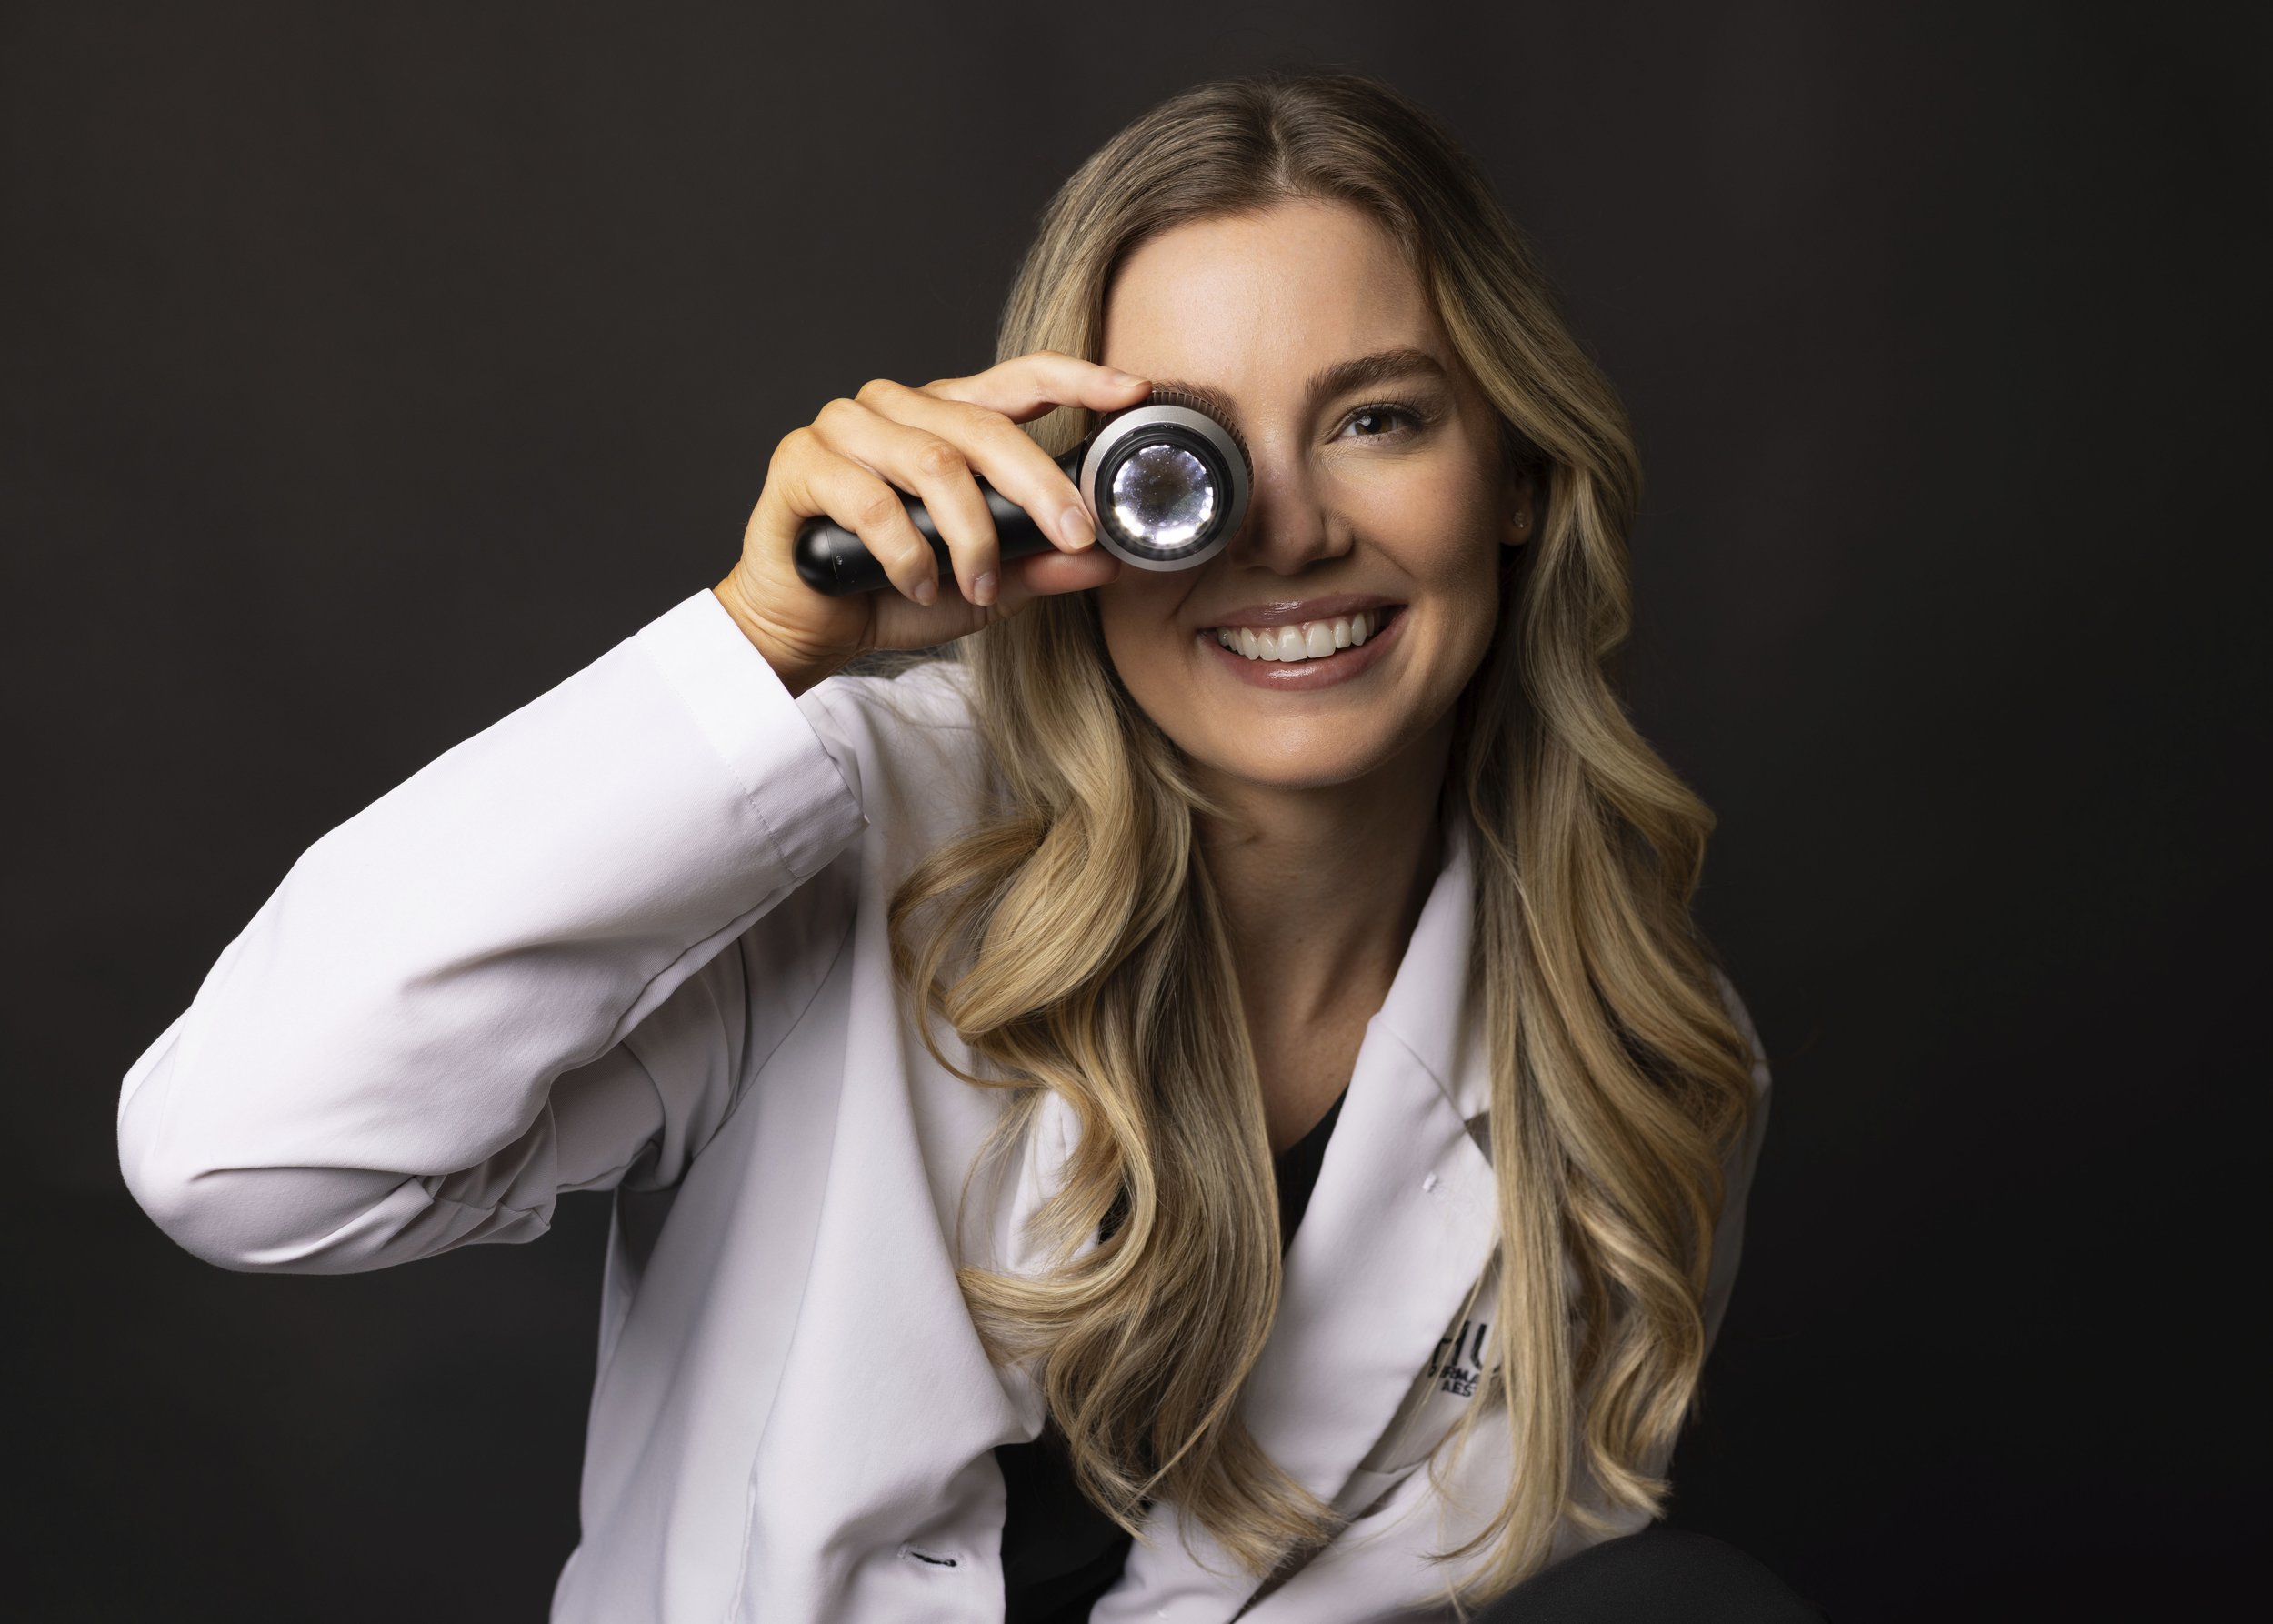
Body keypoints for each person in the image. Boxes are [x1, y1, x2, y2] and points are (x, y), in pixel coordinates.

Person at [117, 72, 1820, 1623]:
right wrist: (758, 641)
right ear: (1062, 488)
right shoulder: (840, 826)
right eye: (1187, 457)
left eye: (1377, 418)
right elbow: (241, 1156)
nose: (1289, 532)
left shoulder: (1636, 1056)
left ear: (1514, 471)